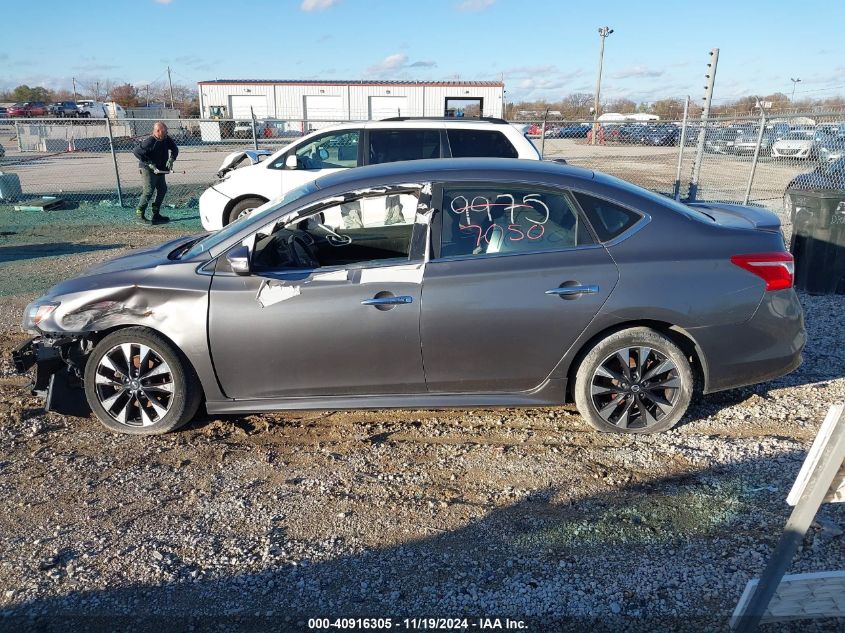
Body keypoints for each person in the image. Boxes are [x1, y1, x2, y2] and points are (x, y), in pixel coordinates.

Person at [132, 121, 179, 224]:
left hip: (159, 169)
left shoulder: (166, 139)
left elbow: (175, 149)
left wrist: (171, 159)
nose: (166, 133)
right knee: (148, 191)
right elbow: (136, 152)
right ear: (158, 131)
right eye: (164, 131)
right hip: (147, 169)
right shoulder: (149, 141)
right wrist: (149, 163)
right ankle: (140, 215)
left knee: (162, 189)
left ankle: (155, 214)